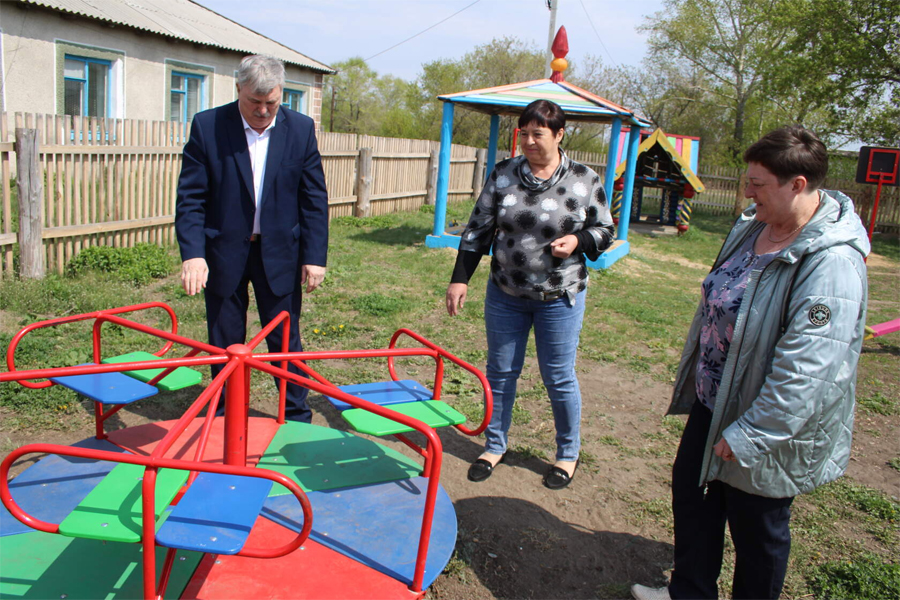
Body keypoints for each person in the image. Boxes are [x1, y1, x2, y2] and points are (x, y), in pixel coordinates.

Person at [631, 126, 868, 600]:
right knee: (693, 500)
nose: (747, 191)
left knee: (757, 531)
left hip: (765, 425)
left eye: (757, 183)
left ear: (797, 184)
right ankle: (690, 593)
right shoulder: (754, 226)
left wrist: (753, 434)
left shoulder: (831, 264)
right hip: (715, 401)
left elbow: (810, 368)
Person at [446, 99, 614, 490]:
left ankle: (567, 454)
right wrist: (460, 278)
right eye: (524, 133)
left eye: (538, 133)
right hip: (506, 293)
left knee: (557, 376)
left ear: (559, 135)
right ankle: (494, 445)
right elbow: (477, 230)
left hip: (559, 297)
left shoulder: (584, 179)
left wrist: (579, 239)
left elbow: (605, 230)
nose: (530, 141)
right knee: (501, 373)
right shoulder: (504, 174)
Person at [175, 55, 329, 423]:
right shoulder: (208, 126)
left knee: (284, 340)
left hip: (280, 252)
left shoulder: (301, 129)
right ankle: (227, 417)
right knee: (225, 340)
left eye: (271, 103)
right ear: (238, 89)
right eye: (253, 102)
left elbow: (313, 199)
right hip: (223, 251)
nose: (262, 111)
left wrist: (315, 256)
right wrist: (193, 254)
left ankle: (295, 417)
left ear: (281, 95)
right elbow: (191, 198)